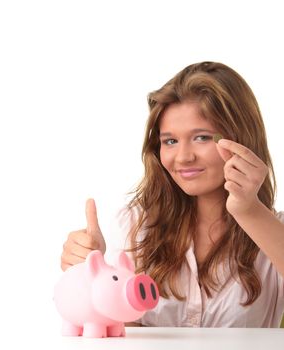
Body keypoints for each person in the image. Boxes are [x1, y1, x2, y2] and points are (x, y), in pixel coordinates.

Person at [60, 61, 284, 327]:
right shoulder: (136, 227)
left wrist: (248, 210)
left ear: (241, 138)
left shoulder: (273, 231)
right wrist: (93, 281)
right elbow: (119, 335)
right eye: (170, 141)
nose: (183, 157)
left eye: (201, 137)